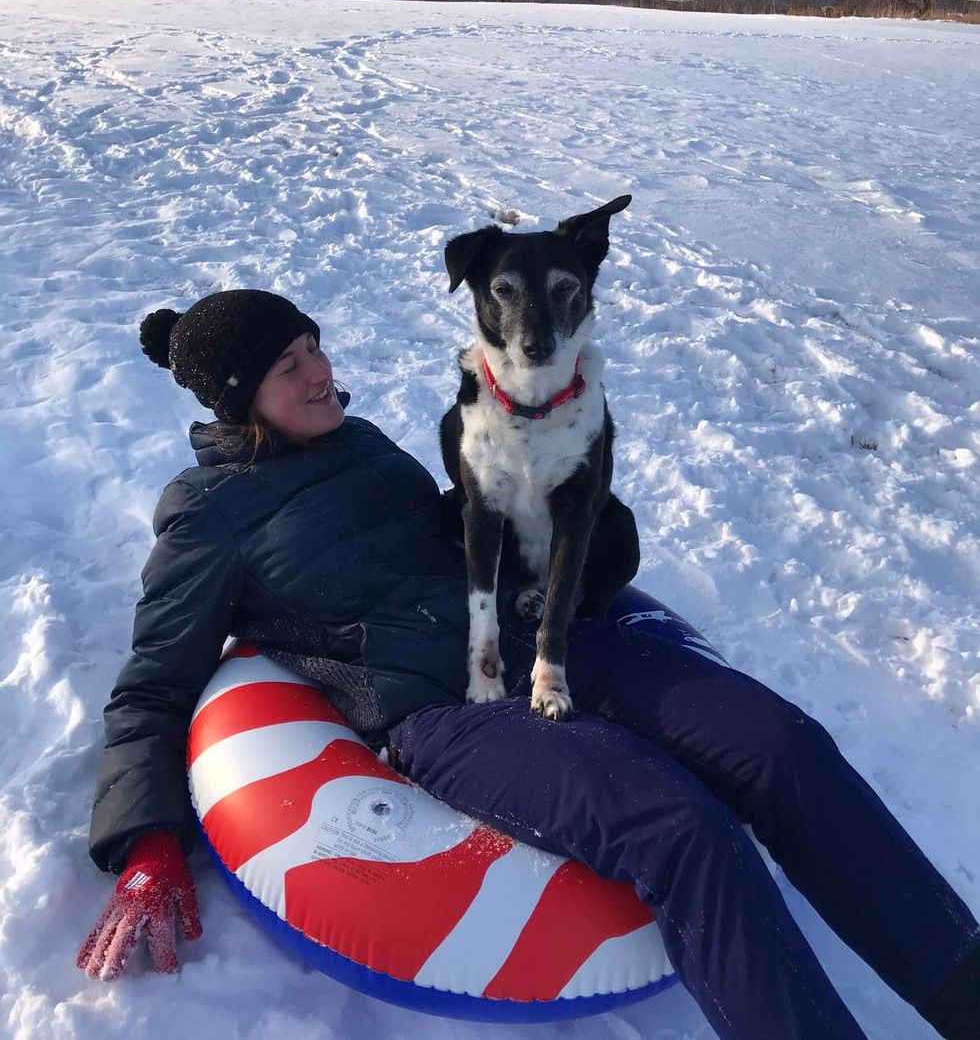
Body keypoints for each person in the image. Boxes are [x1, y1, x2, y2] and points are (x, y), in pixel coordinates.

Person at [78, 289, 980, 1040]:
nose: (319, 370)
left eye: (313, 345)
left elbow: (436, 536)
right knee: (680, 829)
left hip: (545, 642)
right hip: (452, 712)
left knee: (785, 744)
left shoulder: (356, 440)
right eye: (289, 366)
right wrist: (146, 838)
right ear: (240, 399)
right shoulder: (207, 515)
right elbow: (156, 674)